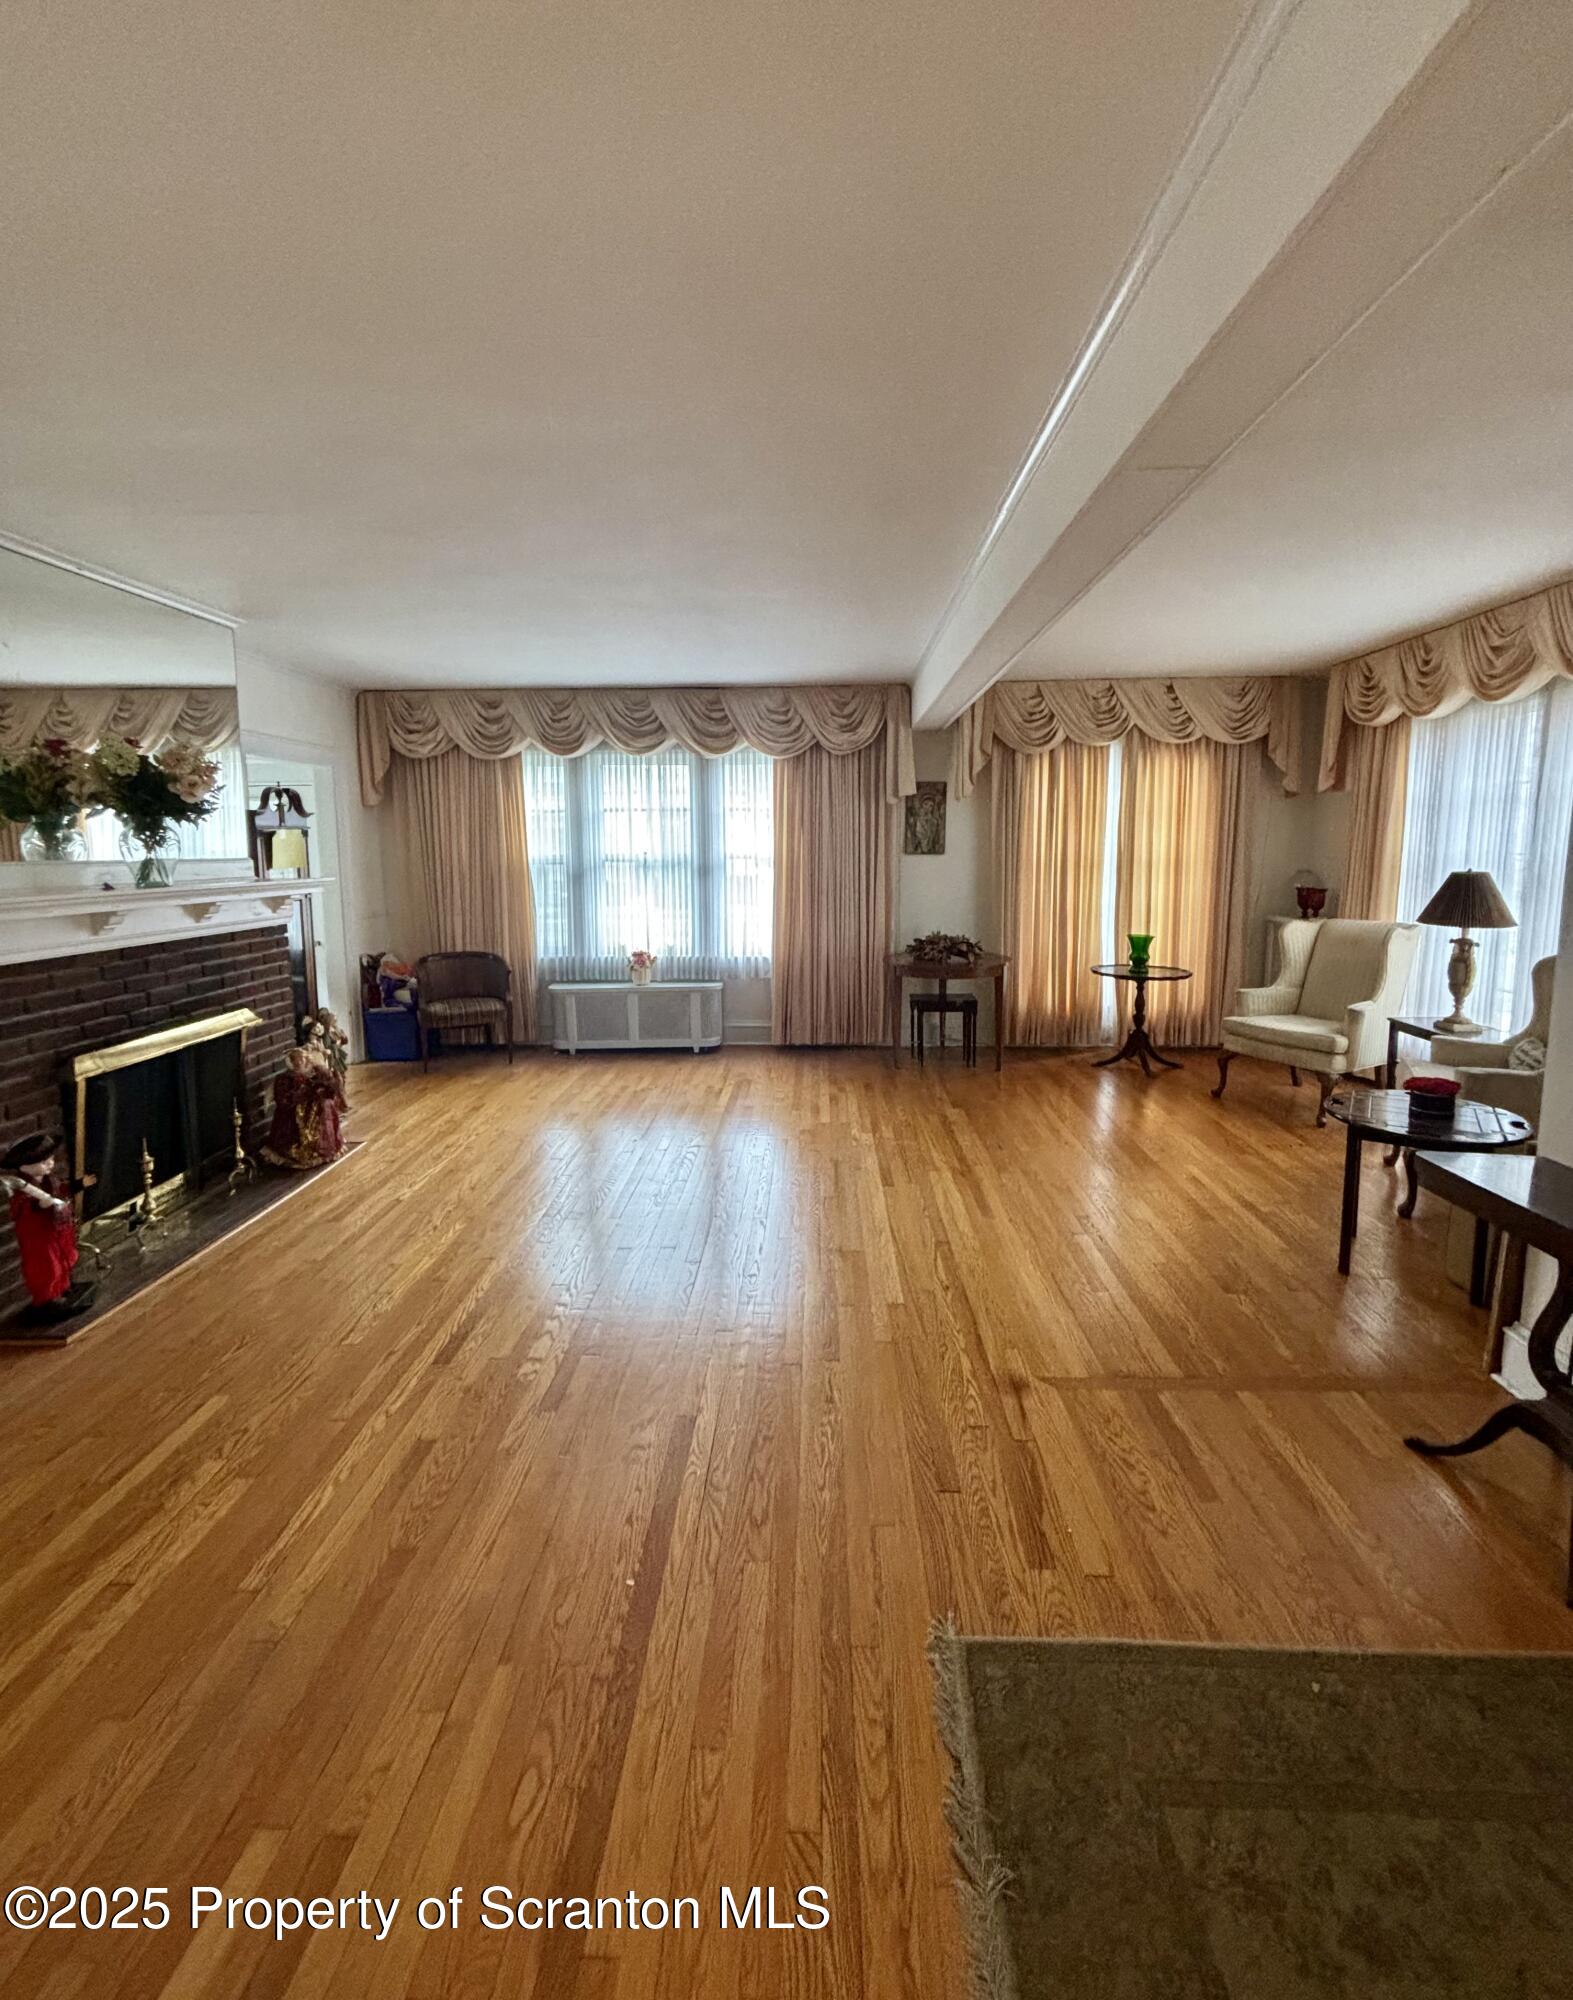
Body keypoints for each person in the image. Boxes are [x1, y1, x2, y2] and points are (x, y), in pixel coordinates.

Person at [1, 1133, 96, 1321]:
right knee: (46, 1266)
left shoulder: (49, 1181)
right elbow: (22, 1207)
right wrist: (39, 1205)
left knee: (62, 1259)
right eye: (45, 1162)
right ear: (25, 1166)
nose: (50, 1164)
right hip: (38, 1236)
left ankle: (63, 1287)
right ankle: (46, 1299)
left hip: (56, 1230)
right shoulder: (22, 1188)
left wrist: (79, 1184)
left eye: (51, 1160)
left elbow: (62, 1189)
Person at [261, 1046, 347, 1170]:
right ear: (292, 1062)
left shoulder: (316, 1071)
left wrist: (328, 1081)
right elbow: (284, 1101)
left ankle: (323, 1149)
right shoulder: (285, 1079)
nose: (302, 1061)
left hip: (316, 1109)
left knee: (326, 1105)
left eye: (304, 1058)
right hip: (297, 1114)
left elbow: (330, 1088)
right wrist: (305, 1092)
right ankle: (301, 1153)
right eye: (298, 1059)